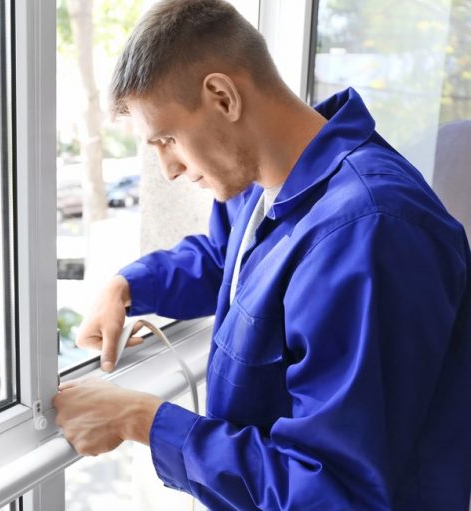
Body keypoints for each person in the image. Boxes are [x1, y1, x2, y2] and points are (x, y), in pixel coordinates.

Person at [52, 0, 471, 509]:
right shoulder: (266, 186)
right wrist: (130, 286)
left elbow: (332, 492)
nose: (168, 169)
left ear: (223, 97)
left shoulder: (368, 234)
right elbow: (225, 262)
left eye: (166, 139)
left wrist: (140, 420)